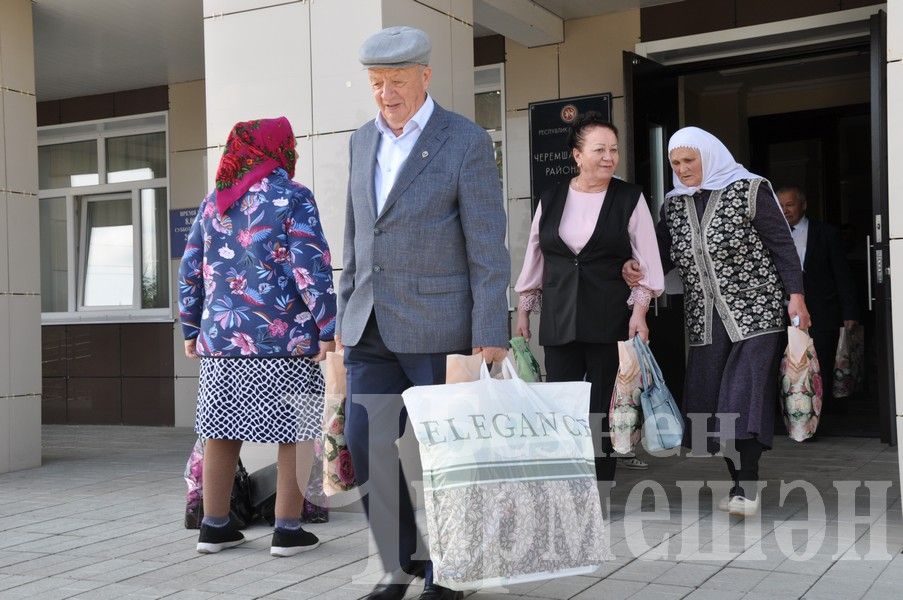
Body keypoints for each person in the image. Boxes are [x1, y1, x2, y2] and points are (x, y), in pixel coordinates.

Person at [336, 26, 509, 600]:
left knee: (445, 460)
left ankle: (448, 573)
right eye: (377, 82)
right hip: (370, 327)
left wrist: (491, 330)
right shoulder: (361, 142)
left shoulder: (463, 140)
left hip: (441, 329)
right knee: (363, 447)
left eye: (398, 81)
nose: (386, 93)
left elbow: (488, 243)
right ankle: (401, 561)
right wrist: (340, 321)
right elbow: (356, 237)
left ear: (426, 76)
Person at [626, 126, 811, 517]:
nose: (682, 169)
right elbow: (659, 258)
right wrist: (633, 271)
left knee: (740, 394)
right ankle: (740, 481)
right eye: (675, 163)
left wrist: (796, 296)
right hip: (706, 319)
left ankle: (746, 485)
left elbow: (782, 246)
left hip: (757, 311)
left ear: (708, 156)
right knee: (713, 402)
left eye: (689, 161)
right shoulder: (674, 205)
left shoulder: (750, 189)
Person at [178, 117, 335, 556]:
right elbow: (311, 267)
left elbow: (189, 270)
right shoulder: (294, 197)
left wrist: (192, 327)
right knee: (298, 427)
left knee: (221, 430)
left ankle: (214, 526)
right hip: (286, 342)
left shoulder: (215, 204)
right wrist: (328, 327)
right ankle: (287, 529)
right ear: (278, 149)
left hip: (222, 343)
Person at [514, 112, 665, 484]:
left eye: (613, 150)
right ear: (577, 155)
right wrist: (524, 311)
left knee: (603, 409)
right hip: (559, 317)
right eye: (599, 149)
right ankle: (566, 486)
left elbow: (647, 260)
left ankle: (599, 487)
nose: (609, 157)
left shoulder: (629, 197)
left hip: (610, 317)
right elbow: (536, 255)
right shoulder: (550, 199)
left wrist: (640, 312)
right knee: (561, 404)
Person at [778, 185, 858, 410]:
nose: (784, 210)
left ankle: (820, 417)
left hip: (821, 312)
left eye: (790, 205)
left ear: (803, 205)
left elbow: (842, 274)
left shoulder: (826, 233)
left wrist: (849, 312)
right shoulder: (771, 233)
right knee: (787, 368)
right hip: (780, 313)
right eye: (780, 206)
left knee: (818, 365)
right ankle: (789, 417)